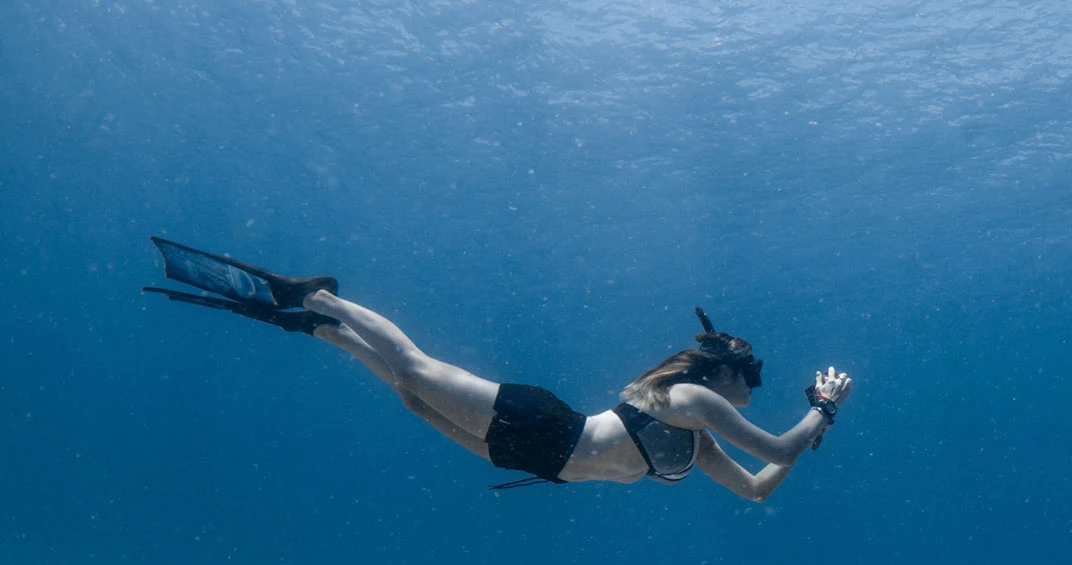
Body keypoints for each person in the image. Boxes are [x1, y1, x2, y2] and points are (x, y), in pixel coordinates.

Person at [141, 238, 851, 501]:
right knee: (417, 371)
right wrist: (823, 406)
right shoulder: (691, 395)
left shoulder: (700, 446)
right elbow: (782, 444)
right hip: (552, 425)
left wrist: (814, 431)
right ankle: (322, 295)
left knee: (414, 402)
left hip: (539, 462)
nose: (751, 390)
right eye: (749, 376)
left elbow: (761, 486)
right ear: (721, 368)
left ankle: (316, 327)